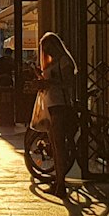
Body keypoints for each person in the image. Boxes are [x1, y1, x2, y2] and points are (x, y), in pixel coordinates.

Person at [35, 32, 77, 198]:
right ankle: (58, 181)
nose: (46, 51)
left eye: (47, 47)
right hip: (51, 105)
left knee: (59, 147)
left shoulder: (64, 61)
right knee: (54, 146)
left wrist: (48, 82)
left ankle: (61, 184)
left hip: (60, 106)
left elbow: (68, 83)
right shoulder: (53, 63)